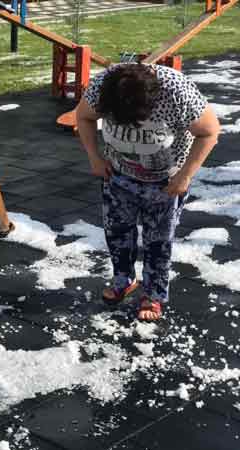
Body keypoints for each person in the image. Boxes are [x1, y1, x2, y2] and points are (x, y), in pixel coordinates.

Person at [76, 62, 220, 322]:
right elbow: (83, 116)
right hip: (118, 176)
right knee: (117, 233)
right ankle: (124, 280)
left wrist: (184, 176)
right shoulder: (103, 86)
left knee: (158, 242)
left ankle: (153, 295)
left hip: (165, 182)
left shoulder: (176, 91)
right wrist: (94, 158)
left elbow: (209, 132)